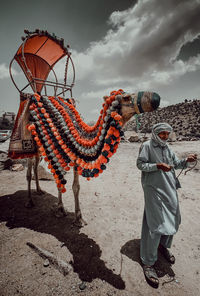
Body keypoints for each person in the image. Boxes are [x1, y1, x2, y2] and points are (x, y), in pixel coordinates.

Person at [136, 122, 197, 287]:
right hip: (153, 189)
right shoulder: (147, 146)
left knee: (173, 216)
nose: (164, 136)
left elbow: (176, 164)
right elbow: (140, 164)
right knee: (155, 222)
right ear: (155, 133)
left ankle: (162, 246)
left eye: (166, 133)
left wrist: (187, 160)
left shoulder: (168, 148)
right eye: (161, 133)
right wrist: (157, 166)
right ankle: (148, 262)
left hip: (169, 188)